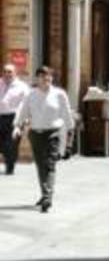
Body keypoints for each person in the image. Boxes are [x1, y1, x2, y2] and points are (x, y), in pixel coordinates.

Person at [13, 67, 74, 212]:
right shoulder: (31, 95)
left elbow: (67, 117)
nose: (47, 81)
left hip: (53, 133)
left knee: (49, 164)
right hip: (35, 134)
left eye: (49, 78)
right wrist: (17, 127)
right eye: (44, 78)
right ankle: (44, 193)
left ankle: (47, 197)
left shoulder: (60, 94)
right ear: (37, 79)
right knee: (41, 165)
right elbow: (23, 112)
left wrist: (69, 142)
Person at [0, 63, 31, 175]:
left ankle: (10, 166)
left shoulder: (22, 86)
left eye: (10, 72)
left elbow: (27, 104)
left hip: (15, 118)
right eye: (5, 71)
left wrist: (25, 119)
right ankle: (9, 158)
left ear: (15, 73)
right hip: (0, 117)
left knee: (11, 143)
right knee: (3, 144)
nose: (7, 74)